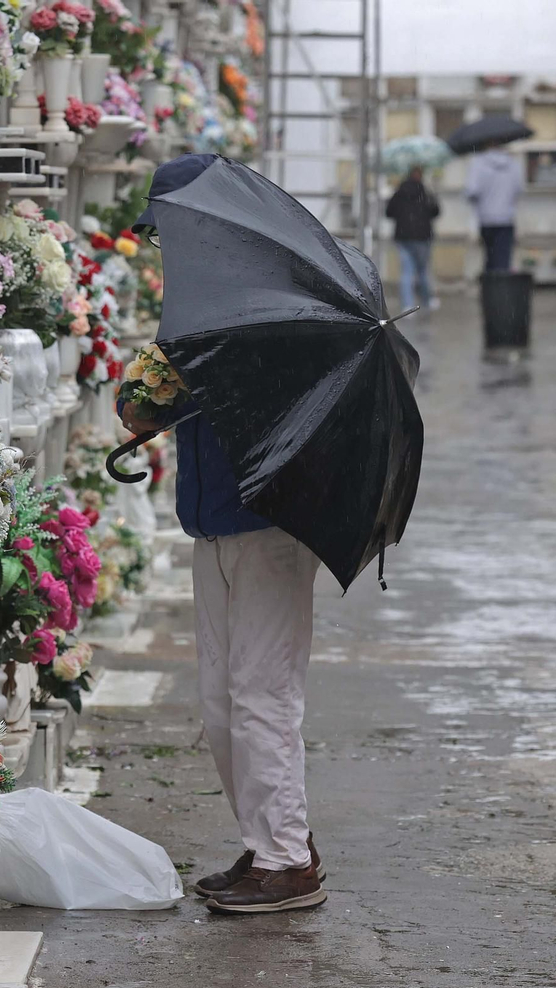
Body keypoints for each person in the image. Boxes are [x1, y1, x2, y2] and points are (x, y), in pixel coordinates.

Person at [126, 154, 327, 914]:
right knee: (219, 701)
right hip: (209, 522)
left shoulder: (270, 307)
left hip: (269, 525)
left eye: (168, 236)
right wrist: (154, 392)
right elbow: (140, 408)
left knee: (262, 694)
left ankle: (288, 860)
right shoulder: (193, 310)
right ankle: (269, 840)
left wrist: (207, 373)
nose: (163, 252)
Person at [385, 165, 440, 312]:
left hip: (403, 236)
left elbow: (389, 212)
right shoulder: (426, 192)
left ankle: (407, 305)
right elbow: (435, 211)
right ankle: (426, 301)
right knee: (422, 271)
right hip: (422, 236)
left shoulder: (399, 193)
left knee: (406, 271)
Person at [465, 143, 525, 272]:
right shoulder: (513, 164)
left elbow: (472, 191)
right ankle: (500, 282)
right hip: (506, 218)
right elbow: (519, 190)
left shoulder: (478, 163)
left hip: (485, 217)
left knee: (489, 258)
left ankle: (490, 282)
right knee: (503, 260)